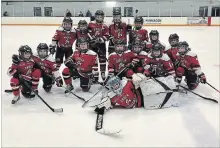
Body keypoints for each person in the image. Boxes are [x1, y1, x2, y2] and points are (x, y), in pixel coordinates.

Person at [88, 10, 109, 81]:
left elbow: (107, 35)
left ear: (103, 17)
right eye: (97, 16)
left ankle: (103, 72)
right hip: (92, 45)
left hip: (101, 45)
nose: (99, 18)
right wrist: (91, 39)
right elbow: (88, 33)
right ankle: (95, 73)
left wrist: (100, 39)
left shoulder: (105, 25)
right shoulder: (91, 24)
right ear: (95, 16)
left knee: (102, 59)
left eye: (100, 17)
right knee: (93, 59)